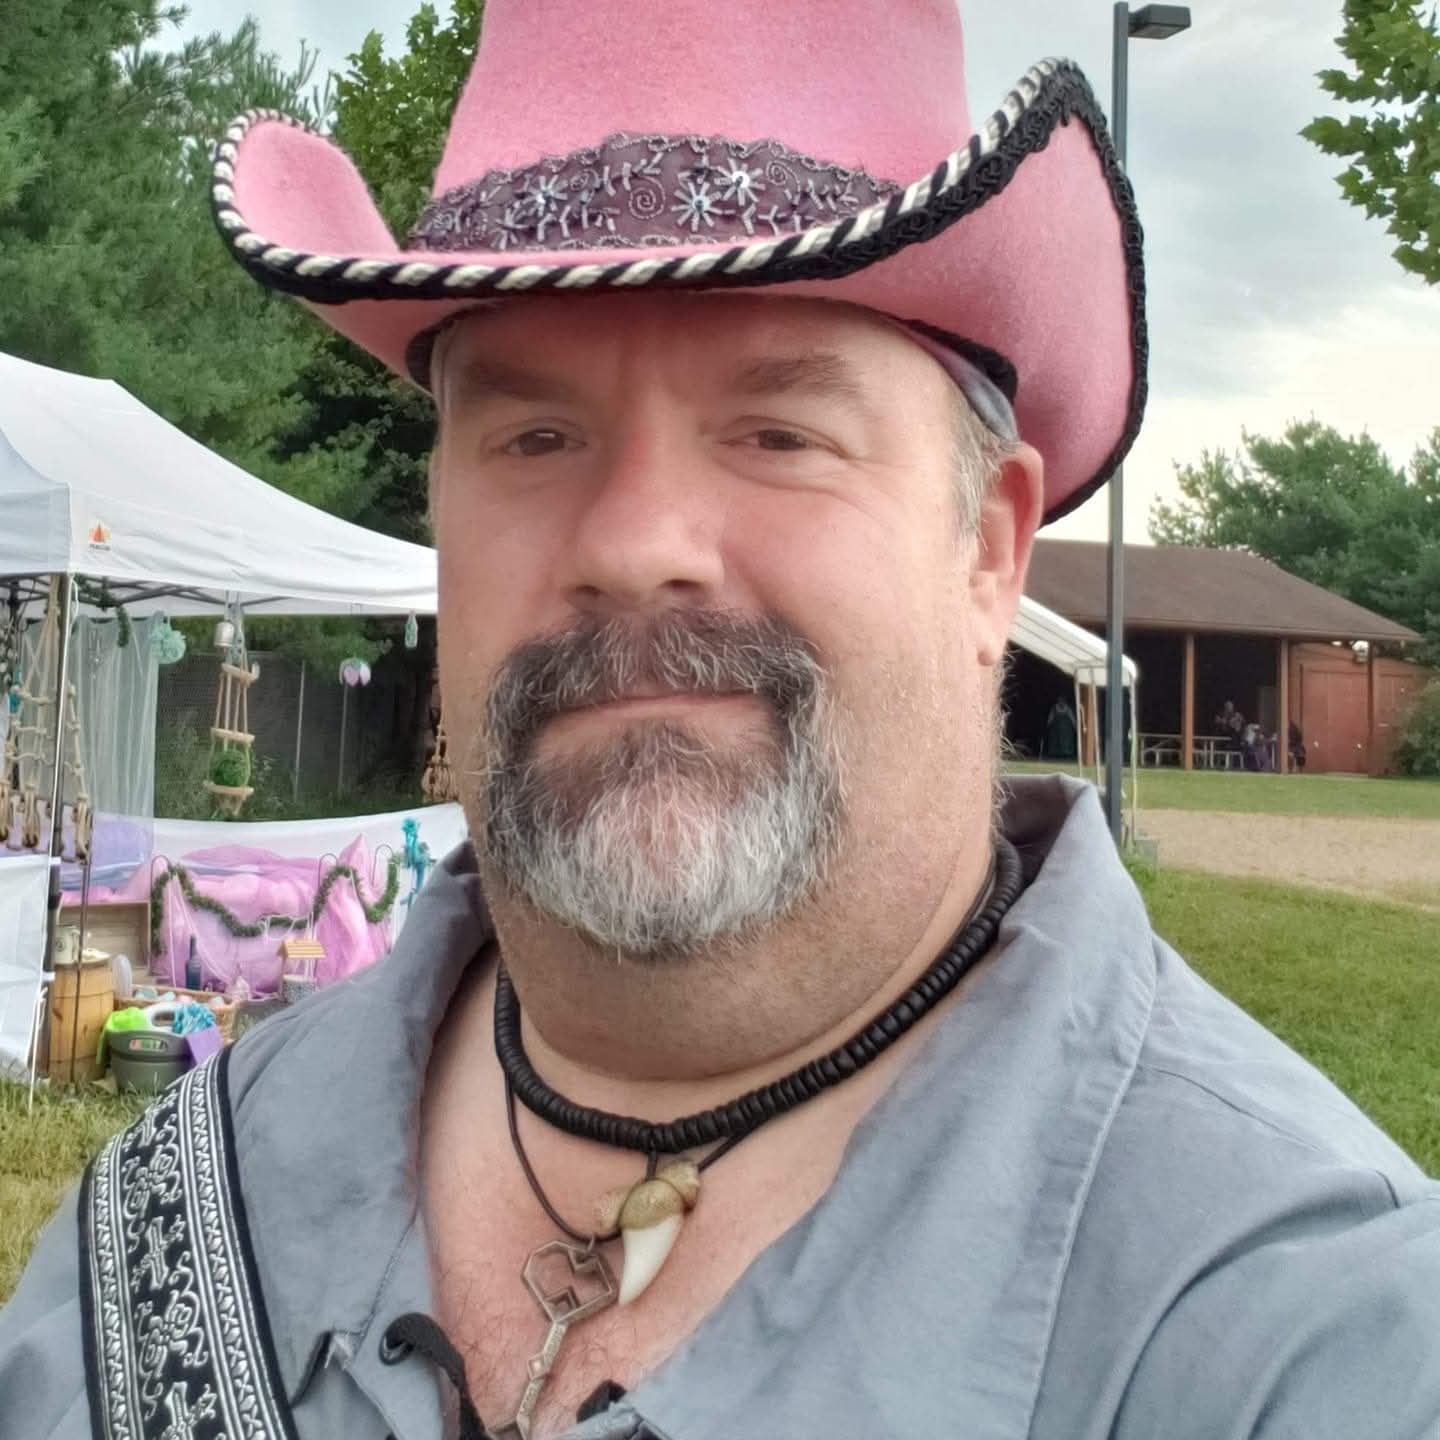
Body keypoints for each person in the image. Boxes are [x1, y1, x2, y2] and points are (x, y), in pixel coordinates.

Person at [4, 3, 1440, 1438]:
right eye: (535, 437)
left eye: (777, 432)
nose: (633, 542)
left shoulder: (1298, 1337)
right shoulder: (151, 1241)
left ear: (989, 553)